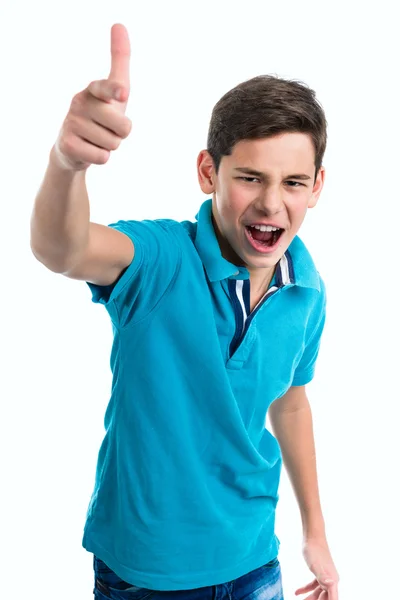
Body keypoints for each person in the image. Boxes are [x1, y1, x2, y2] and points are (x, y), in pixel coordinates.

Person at [30, 22, 339, 600]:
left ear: (316, 186)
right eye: (250, 178)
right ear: (208, 172)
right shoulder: (162, 260)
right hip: (149, 574)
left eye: (293, 182)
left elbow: (291, 402)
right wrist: (68, 164)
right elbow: (63, 248)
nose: (273, 203)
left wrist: (314, 533)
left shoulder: (307, 289)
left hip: (254, 562)